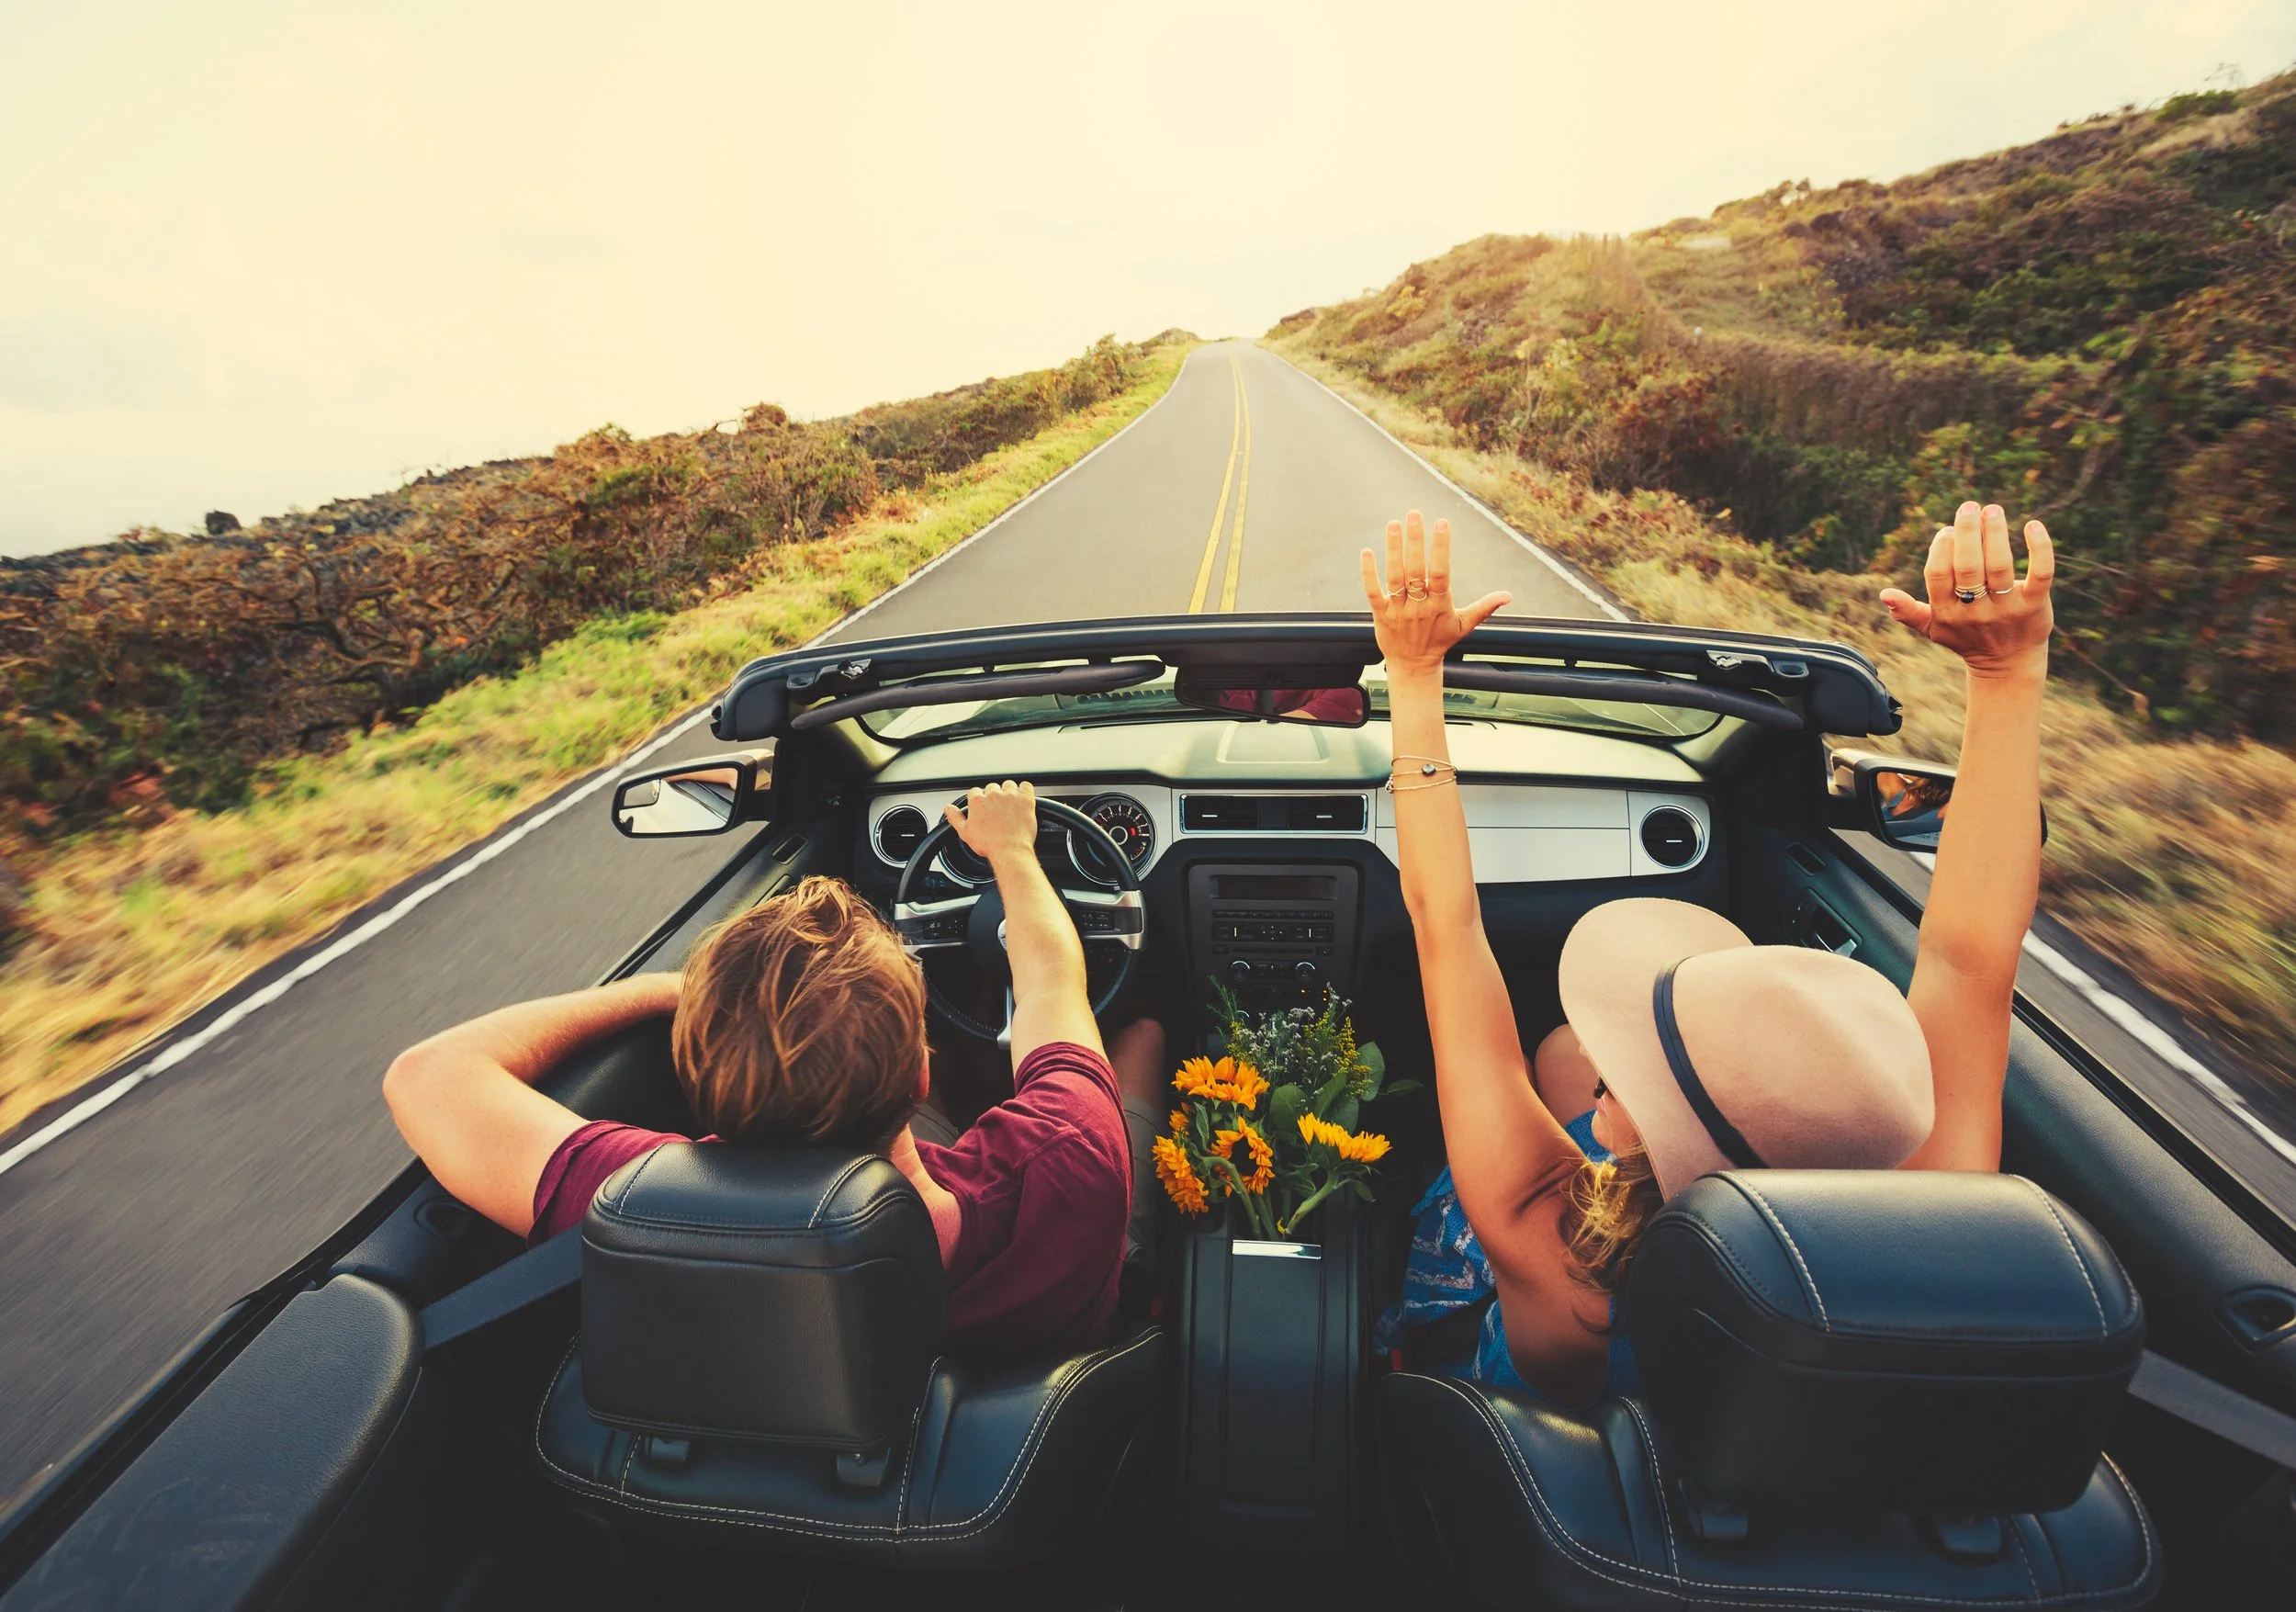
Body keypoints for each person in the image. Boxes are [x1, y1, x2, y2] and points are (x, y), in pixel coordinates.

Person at [1364, 502, 2054, 1403]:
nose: (1613, 1064)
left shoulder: (1547, 1240)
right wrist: (2006, 676)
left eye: (1639, 1070)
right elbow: (1972, 961)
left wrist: (1414, 677)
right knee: (1561, 1055)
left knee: (1552, 1065)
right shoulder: (1928, 1204)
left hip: (1523, 1450)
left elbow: (1443, 925)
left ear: (1671, 1144)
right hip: (1724, 1470)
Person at [384, 780, 1168, 1359]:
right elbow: (1049, 980)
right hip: (1020, 1412)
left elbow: (428, 1072)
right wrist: (1010, 850)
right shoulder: (1069, 1154)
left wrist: (665, 990)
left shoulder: (647, 1203)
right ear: (920, 1077)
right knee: (1140, 1031)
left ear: (698, 1089)